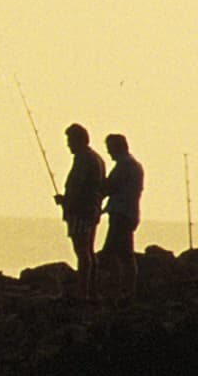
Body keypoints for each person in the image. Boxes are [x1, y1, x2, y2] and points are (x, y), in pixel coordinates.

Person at [54, 124, 107, 299]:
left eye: (70, 140)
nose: (68, 144)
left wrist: (66, 201)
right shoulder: (96, 158)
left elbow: (79, 188)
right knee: (89, 251)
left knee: (82, 252)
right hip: (91, 210)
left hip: (80, 212)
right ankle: (92, 291)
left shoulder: (84, 159)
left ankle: (83, 292)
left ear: (79, 140)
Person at [99, 133, 146, 305]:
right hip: (130, 213)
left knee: (111, 253)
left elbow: (107, 188)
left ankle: (118, 291)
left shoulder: (124, 166)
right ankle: (127, 291)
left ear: (118, 147)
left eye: (110, 148)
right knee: (125, 254)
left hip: (121, 214)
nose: (109, 152)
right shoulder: (134, 165)